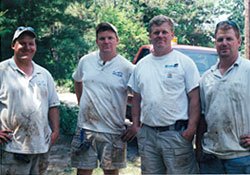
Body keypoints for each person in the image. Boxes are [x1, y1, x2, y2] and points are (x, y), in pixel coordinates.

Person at [122, 15, 200, 174]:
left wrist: (191, 129)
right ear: (150, 36)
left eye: (164, 32)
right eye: (156, 32)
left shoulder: (185, 62)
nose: (160, 36)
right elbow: (136, 98)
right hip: (148, 135)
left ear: (172, 34)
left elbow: (195, 98)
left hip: (176, 134)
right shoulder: (141, 66)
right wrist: (136, 125)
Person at [71, 22, 134, 175]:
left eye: (110, 38)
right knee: (83, 171)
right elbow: (77, 81)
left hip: (113, 130)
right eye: (102, 38)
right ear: (97, 41)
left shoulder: (127, 68)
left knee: (111, 172)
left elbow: (139, 96)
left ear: (117, 40)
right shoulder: (86, 61)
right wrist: (82, 103)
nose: (106, 41)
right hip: (85, 129)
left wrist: (136, 123)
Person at [0, 26, 60, 174]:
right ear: (14, 45)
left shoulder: (44, 74)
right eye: (22, 43)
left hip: (40, 146)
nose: (27, 47)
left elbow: (53, 105)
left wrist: (56, 131)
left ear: (35, 46)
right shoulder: (2, 71)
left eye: (31, 43)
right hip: (11, 147)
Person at [197, 20, 250, 174]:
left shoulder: (248, 70)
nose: (224, 43)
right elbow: (202, 117)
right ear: (215, 43)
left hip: (242, 156)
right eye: (220, 39)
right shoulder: (206, 78)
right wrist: (199, 149)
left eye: (229, 39)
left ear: (238, 42)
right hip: (211, 156)